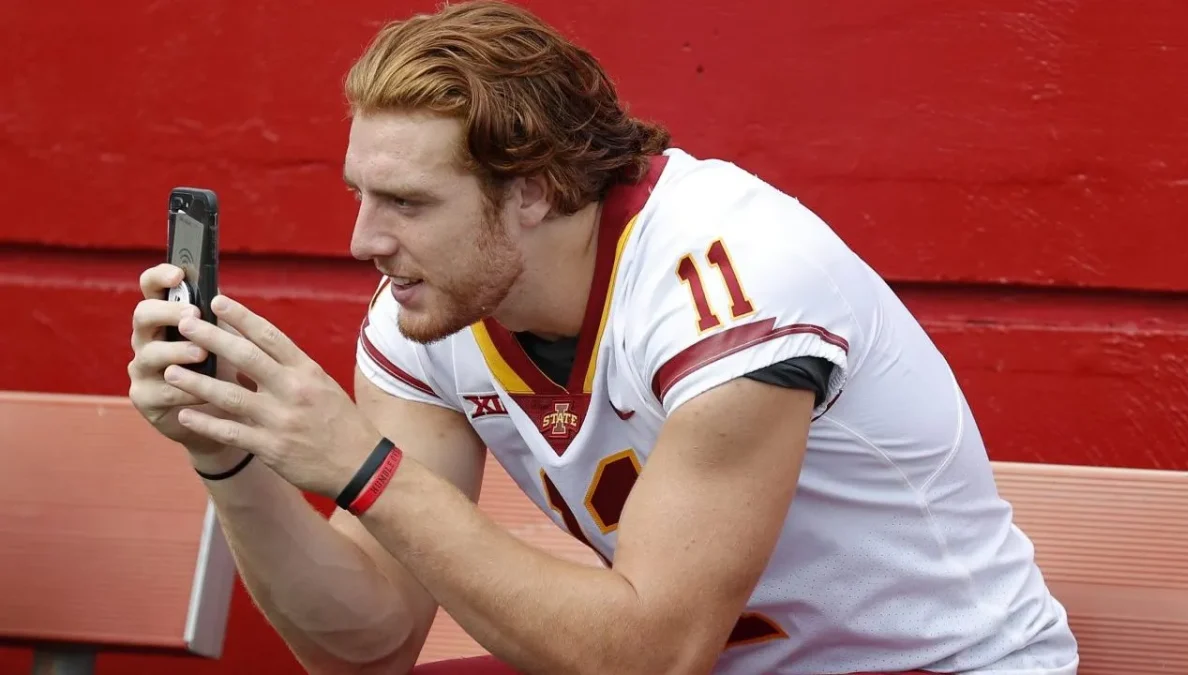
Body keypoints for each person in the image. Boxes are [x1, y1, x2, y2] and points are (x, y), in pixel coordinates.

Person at [127, 1, 1079, 673]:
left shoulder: (727, 280)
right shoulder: (431, 304)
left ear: (535, 187)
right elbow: (368, 645)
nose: (364, 241)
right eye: (361, 194)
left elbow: (650, 654)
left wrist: (365, 469)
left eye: (408, 203)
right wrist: (231, 458)